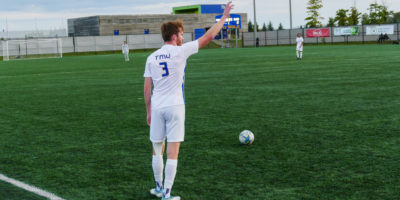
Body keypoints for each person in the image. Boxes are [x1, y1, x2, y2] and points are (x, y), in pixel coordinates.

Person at [143, 1, 234, 200]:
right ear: (174, 36)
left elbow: (147, 89)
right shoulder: (180, 51)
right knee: (173, 152)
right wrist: (224, 17)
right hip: (175, 106)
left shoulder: (151, 58)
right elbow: (210, 36)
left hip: (157, 107)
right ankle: (167, 194)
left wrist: (149, 111)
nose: (183, 38)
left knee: (157, 149)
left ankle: (158, 188)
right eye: (182, 35)